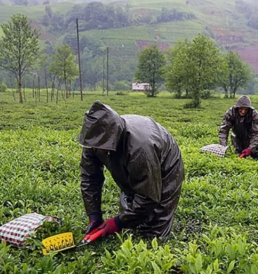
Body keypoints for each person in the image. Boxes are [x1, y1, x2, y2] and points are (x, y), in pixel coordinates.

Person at [77, 101, 185, 240]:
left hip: (167, 165)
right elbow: (89, 178)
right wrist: (94, 216)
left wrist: (117, 222)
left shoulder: (141, 148)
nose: (98, 149)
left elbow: (148, 196)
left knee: (154, 231)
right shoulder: (93, 140)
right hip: (137, 158)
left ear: (114, 136)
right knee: (131, 215)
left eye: (103, 145)